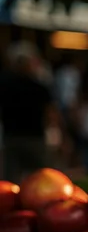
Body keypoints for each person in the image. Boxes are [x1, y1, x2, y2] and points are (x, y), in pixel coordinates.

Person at [0, 42, 60, 178]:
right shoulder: (39, 87)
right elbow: (51, 113)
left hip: (12, 137)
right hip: (34, 138)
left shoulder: (5, 86)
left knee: (12, 179)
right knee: (43, 177)